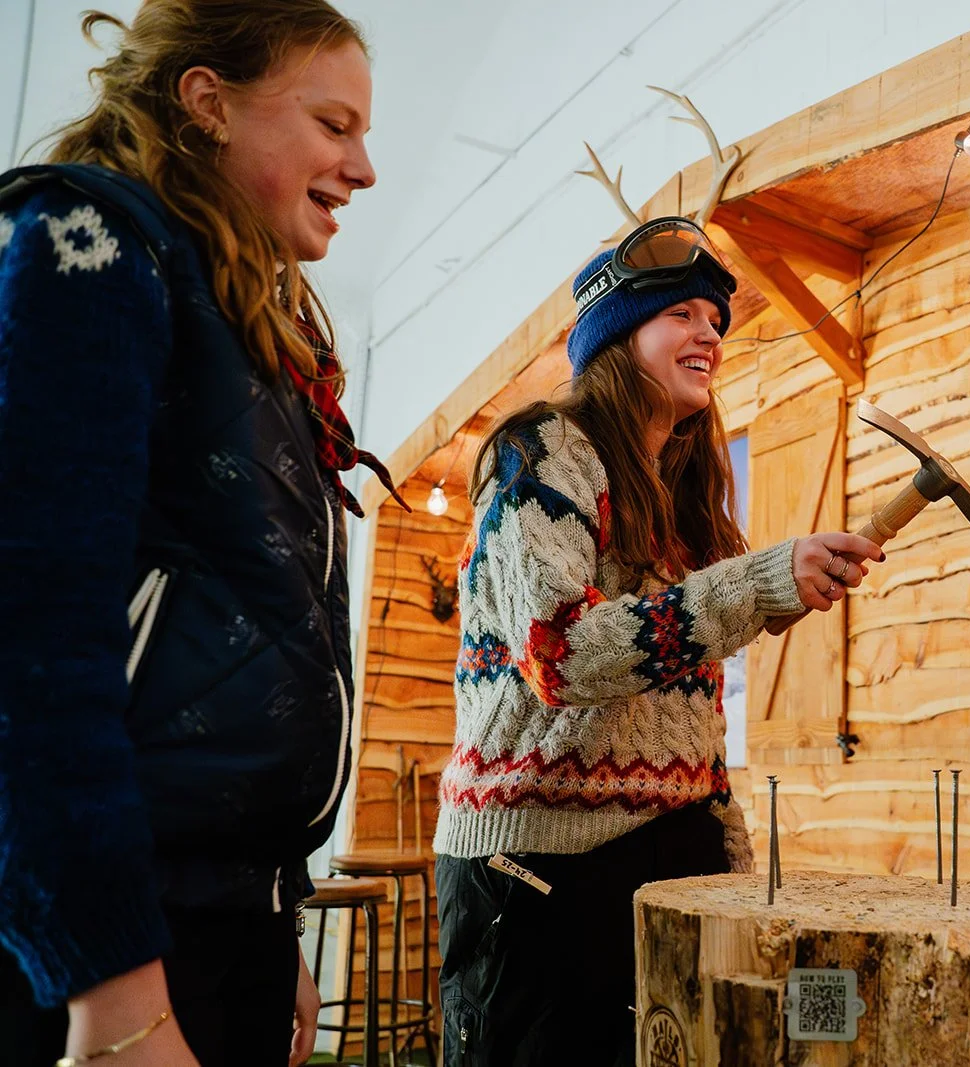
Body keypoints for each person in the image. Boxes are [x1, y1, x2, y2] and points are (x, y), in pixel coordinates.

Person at [0, 3, 386, 1065]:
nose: (363, 168)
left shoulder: (251, 317)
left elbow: (251, 634)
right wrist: (114, 994)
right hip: (115, 951)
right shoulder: (89, 244)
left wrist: (276, 910)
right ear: (209, 101)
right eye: (334, 124)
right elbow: (33, 639)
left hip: (227, 921)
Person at [433, 216, 885, 1065]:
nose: (709, 333)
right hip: (536, 866)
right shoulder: (540, 452)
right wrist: (758, 583)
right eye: (682, 313)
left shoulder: (678, 494)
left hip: (664, 851)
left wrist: (726, 850)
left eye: (715, 320)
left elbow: (683, 701)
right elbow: (561, 652)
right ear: (616, 335)